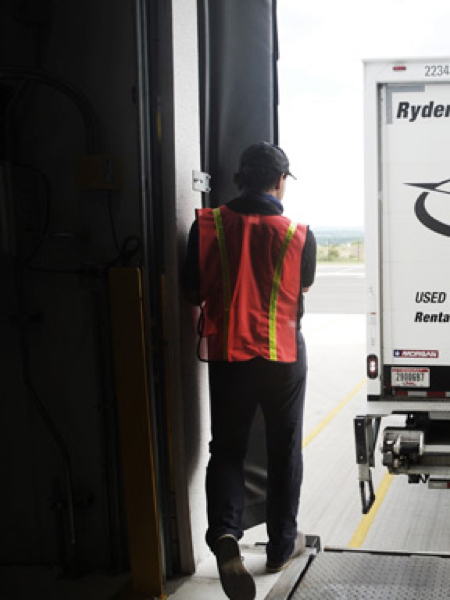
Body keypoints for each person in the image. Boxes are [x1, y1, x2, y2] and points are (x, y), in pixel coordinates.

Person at [182, 141, 316, 600]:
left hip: (229, 354)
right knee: (284, 450)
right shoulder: (299, 233)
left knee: (228, 450)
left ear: (239, 179)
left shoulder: (208, 226)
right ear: (280, 182)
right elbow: (304, 286)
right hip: (282, 355)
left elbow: (191, 291)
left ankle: (224, 535)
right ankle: (281, 546)